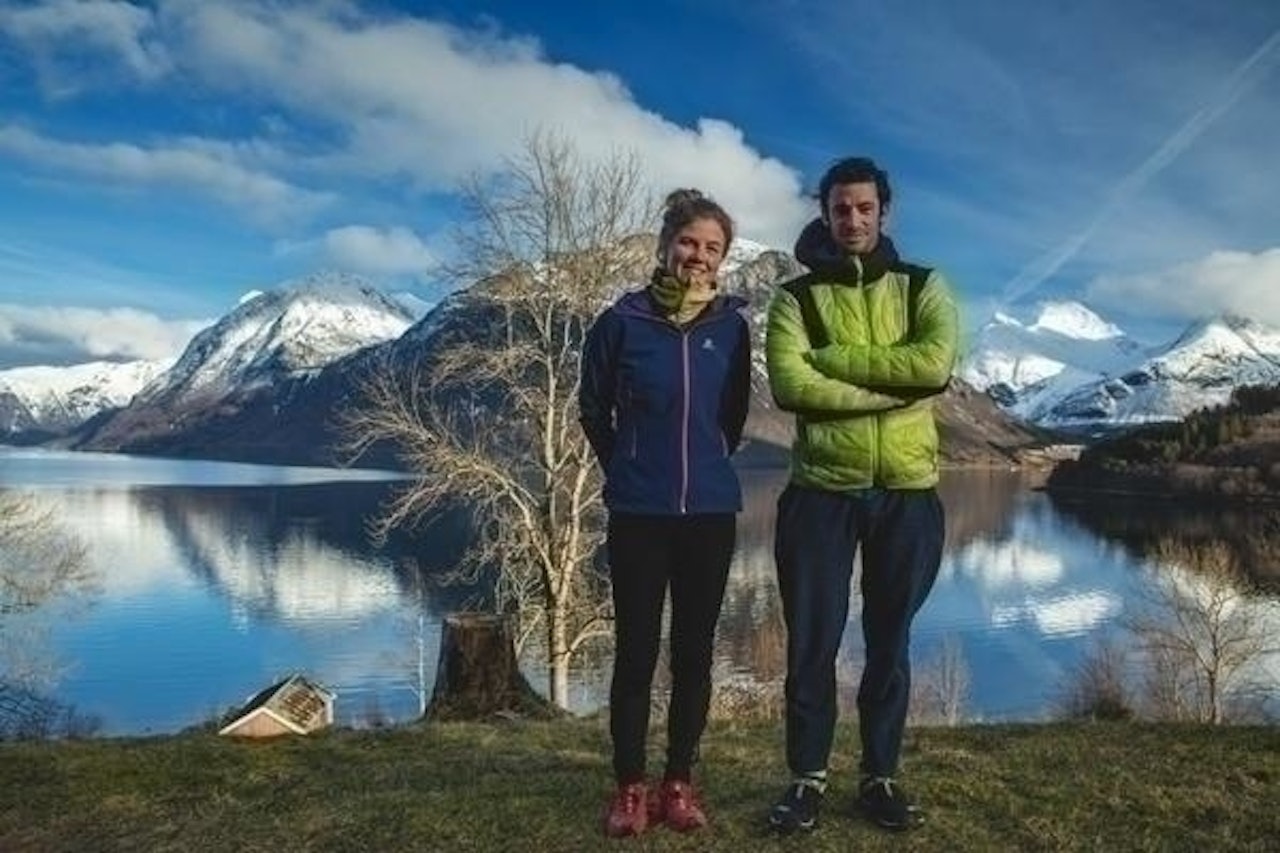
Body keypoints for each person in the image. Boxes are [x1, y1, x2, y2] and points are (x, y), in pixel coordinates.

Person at [763, 156, 959, 833]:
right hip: (820, 492)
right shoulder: (795, 298)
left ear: (884, 211)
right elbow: (792, 385)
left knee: (889, 642)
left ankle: (880, 777)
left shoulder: (923, 285)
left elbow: (933, 366)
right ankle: (806, 780)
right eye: (840, 208)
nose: (852, 219)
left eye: (864, 207)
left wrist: (834, 361)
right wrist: (888, 392)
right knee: (810, 643)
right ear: (824, 213)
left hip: (908, 493)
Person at [579, 189, 751, 838]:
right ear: (665, 245)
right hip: (639, 514)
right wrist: (625, 466)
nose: (699, 256)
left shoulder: (732, 328)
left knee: (694, 653)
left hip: (710, 512)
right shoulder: (619, 323)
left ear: (723, 257)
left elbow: (732, 415)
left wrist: (706, 464)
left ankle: (678, 781)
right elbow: (592, 407)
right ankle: (630, 787)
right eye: (688, 242)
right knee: (635, 651)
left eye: (712, 247)